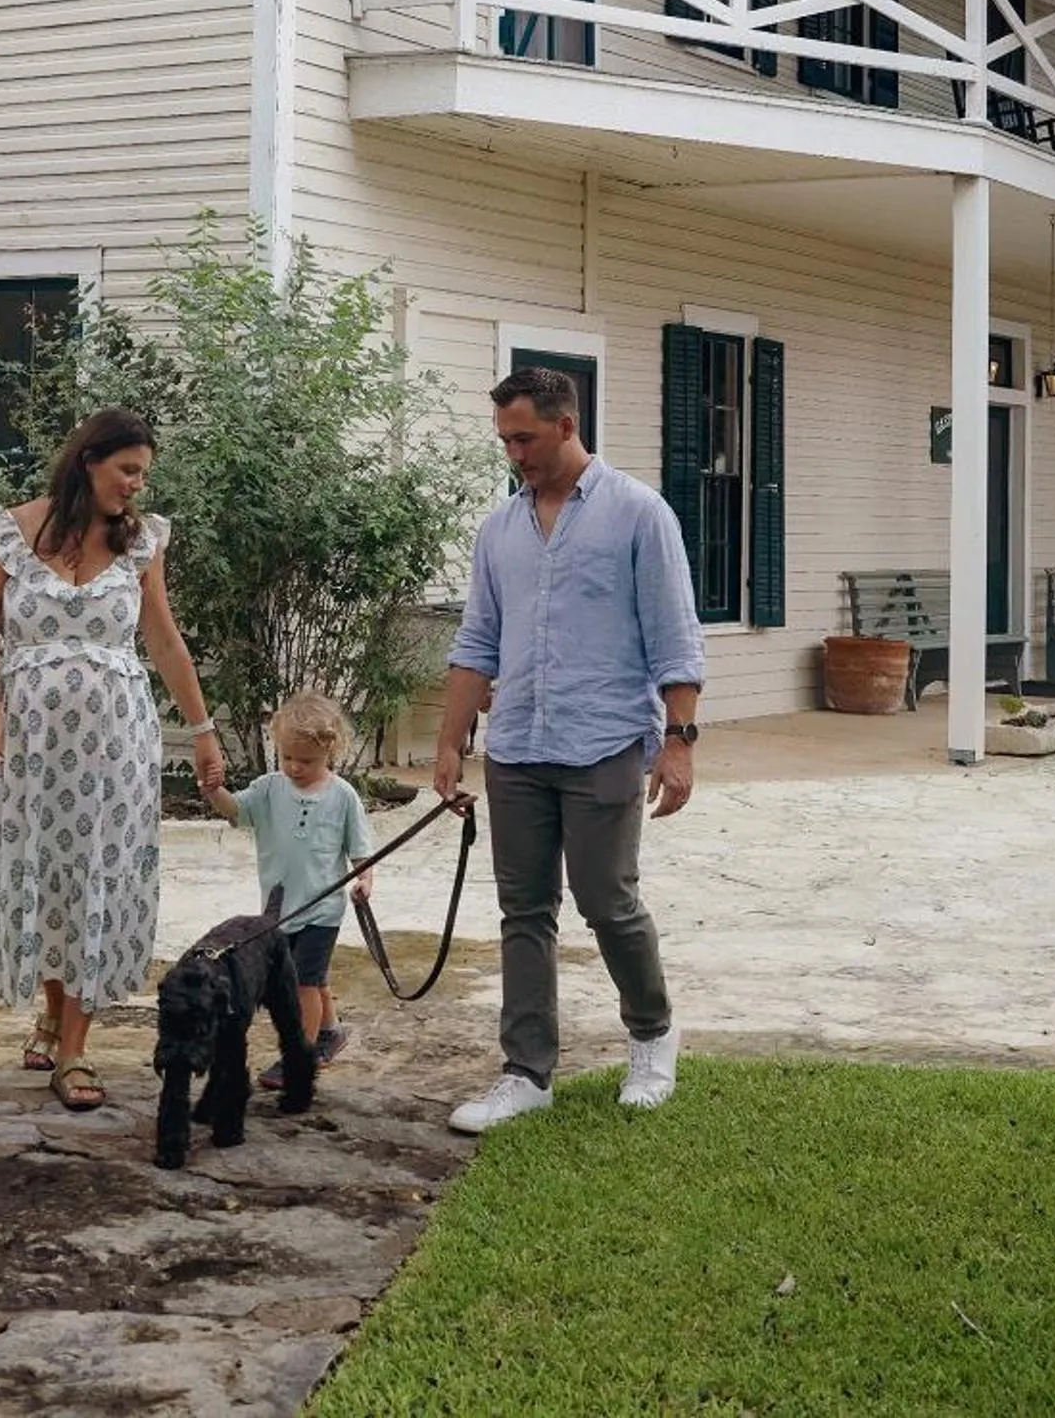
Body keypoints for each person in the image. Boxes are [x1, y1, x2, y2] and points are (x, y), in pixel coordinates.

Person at [431, 364, 706, 1135]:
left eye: (523, 437)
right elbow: (476, 642)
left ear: (565, 424)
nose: (514, 453)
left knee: (606, 901)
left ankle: (652, 1037)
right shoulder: (501, 530)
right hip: (517, 744)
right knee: (524, 911)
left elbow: (676, 642)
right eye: (505, 440)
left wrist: (678, 744)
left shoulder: (639, 515)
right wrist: (449, 744)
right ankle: (527, 1072)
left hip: (604, 743)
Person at [0, 408, 227, 1112]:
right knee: (48, 872)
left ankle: (74, 1049)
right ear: (89, 461)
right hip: (28, 740)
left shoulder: (142, 542)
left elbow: (165, 643)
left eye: (144, 474)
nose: (136, 486)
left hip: (115, 747)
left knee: (96, 871)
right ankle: (53, 1012)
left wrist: (204, 729)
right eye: (128, 470)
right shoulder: (9, 530)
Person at [202, 693, 375, 1091]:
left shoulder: (342, 796)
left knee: (302, 984)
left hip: (322, 910)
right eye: (288, 758)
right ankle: (330, 1031)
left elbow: (361, 851)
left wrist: (365, 880)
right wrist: (214, 791)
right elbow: (235, 810)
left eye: (307, 761)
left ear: (329, 751)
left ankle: (301, 1055)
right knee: (309, 979)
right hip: (279, 912)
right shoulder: (268, 789)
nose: (295, 767)